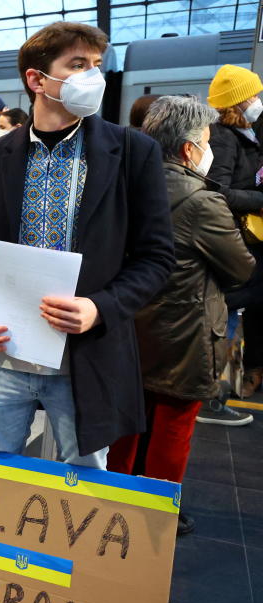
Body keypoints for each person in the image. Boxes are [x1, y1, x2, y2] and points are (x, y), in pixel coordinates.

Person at [0, 21, 175, 468]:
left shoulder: (133, 152)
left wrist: (101, 307)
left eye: (97, 65)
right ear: (37, 79)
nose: (93, 76)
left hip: (87, 359)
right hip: (4, 355)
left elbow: (156, 257)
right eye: (77, 65)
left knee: (85, 483)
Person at [108, 95, 255, 535]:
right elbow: (240, 266)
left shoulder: (125, 184)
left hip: (129, 324)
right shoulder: (202, 201)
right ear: (190, 149)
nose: (209, 147)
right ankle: (156, 516)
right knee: (173, 425)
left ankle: (111, 503)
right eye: (206, 140)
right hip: (184, 332)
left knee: (127, 423)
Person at [206, 64, 263, 405]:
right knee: (228, 314)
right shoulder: (225, 137)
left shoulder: (247, 132)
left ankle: (225, 389)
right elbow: (217, 190)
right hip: (238, 239)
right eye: (254, 94)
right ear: (239, 100)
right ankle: (215, 395)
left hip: (250, 239)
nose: (258, 99)